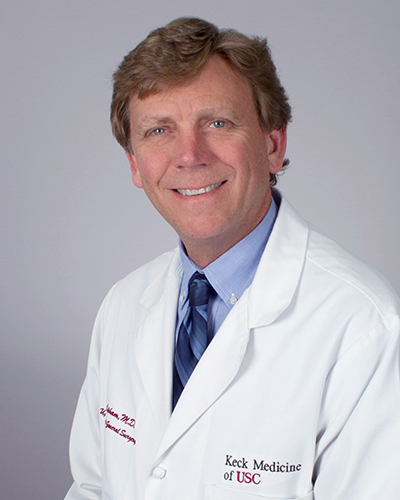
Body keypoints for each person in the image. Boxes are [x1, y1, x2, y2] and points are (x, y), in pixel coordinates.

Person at [64, 17, 400, 500]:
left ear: (273, 145)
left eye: (217, 123)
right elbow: (92, 487)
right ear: (135, 164)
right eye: (159, 130)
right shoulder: (122, 306)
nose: (189, 155)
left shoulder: (364, 327)